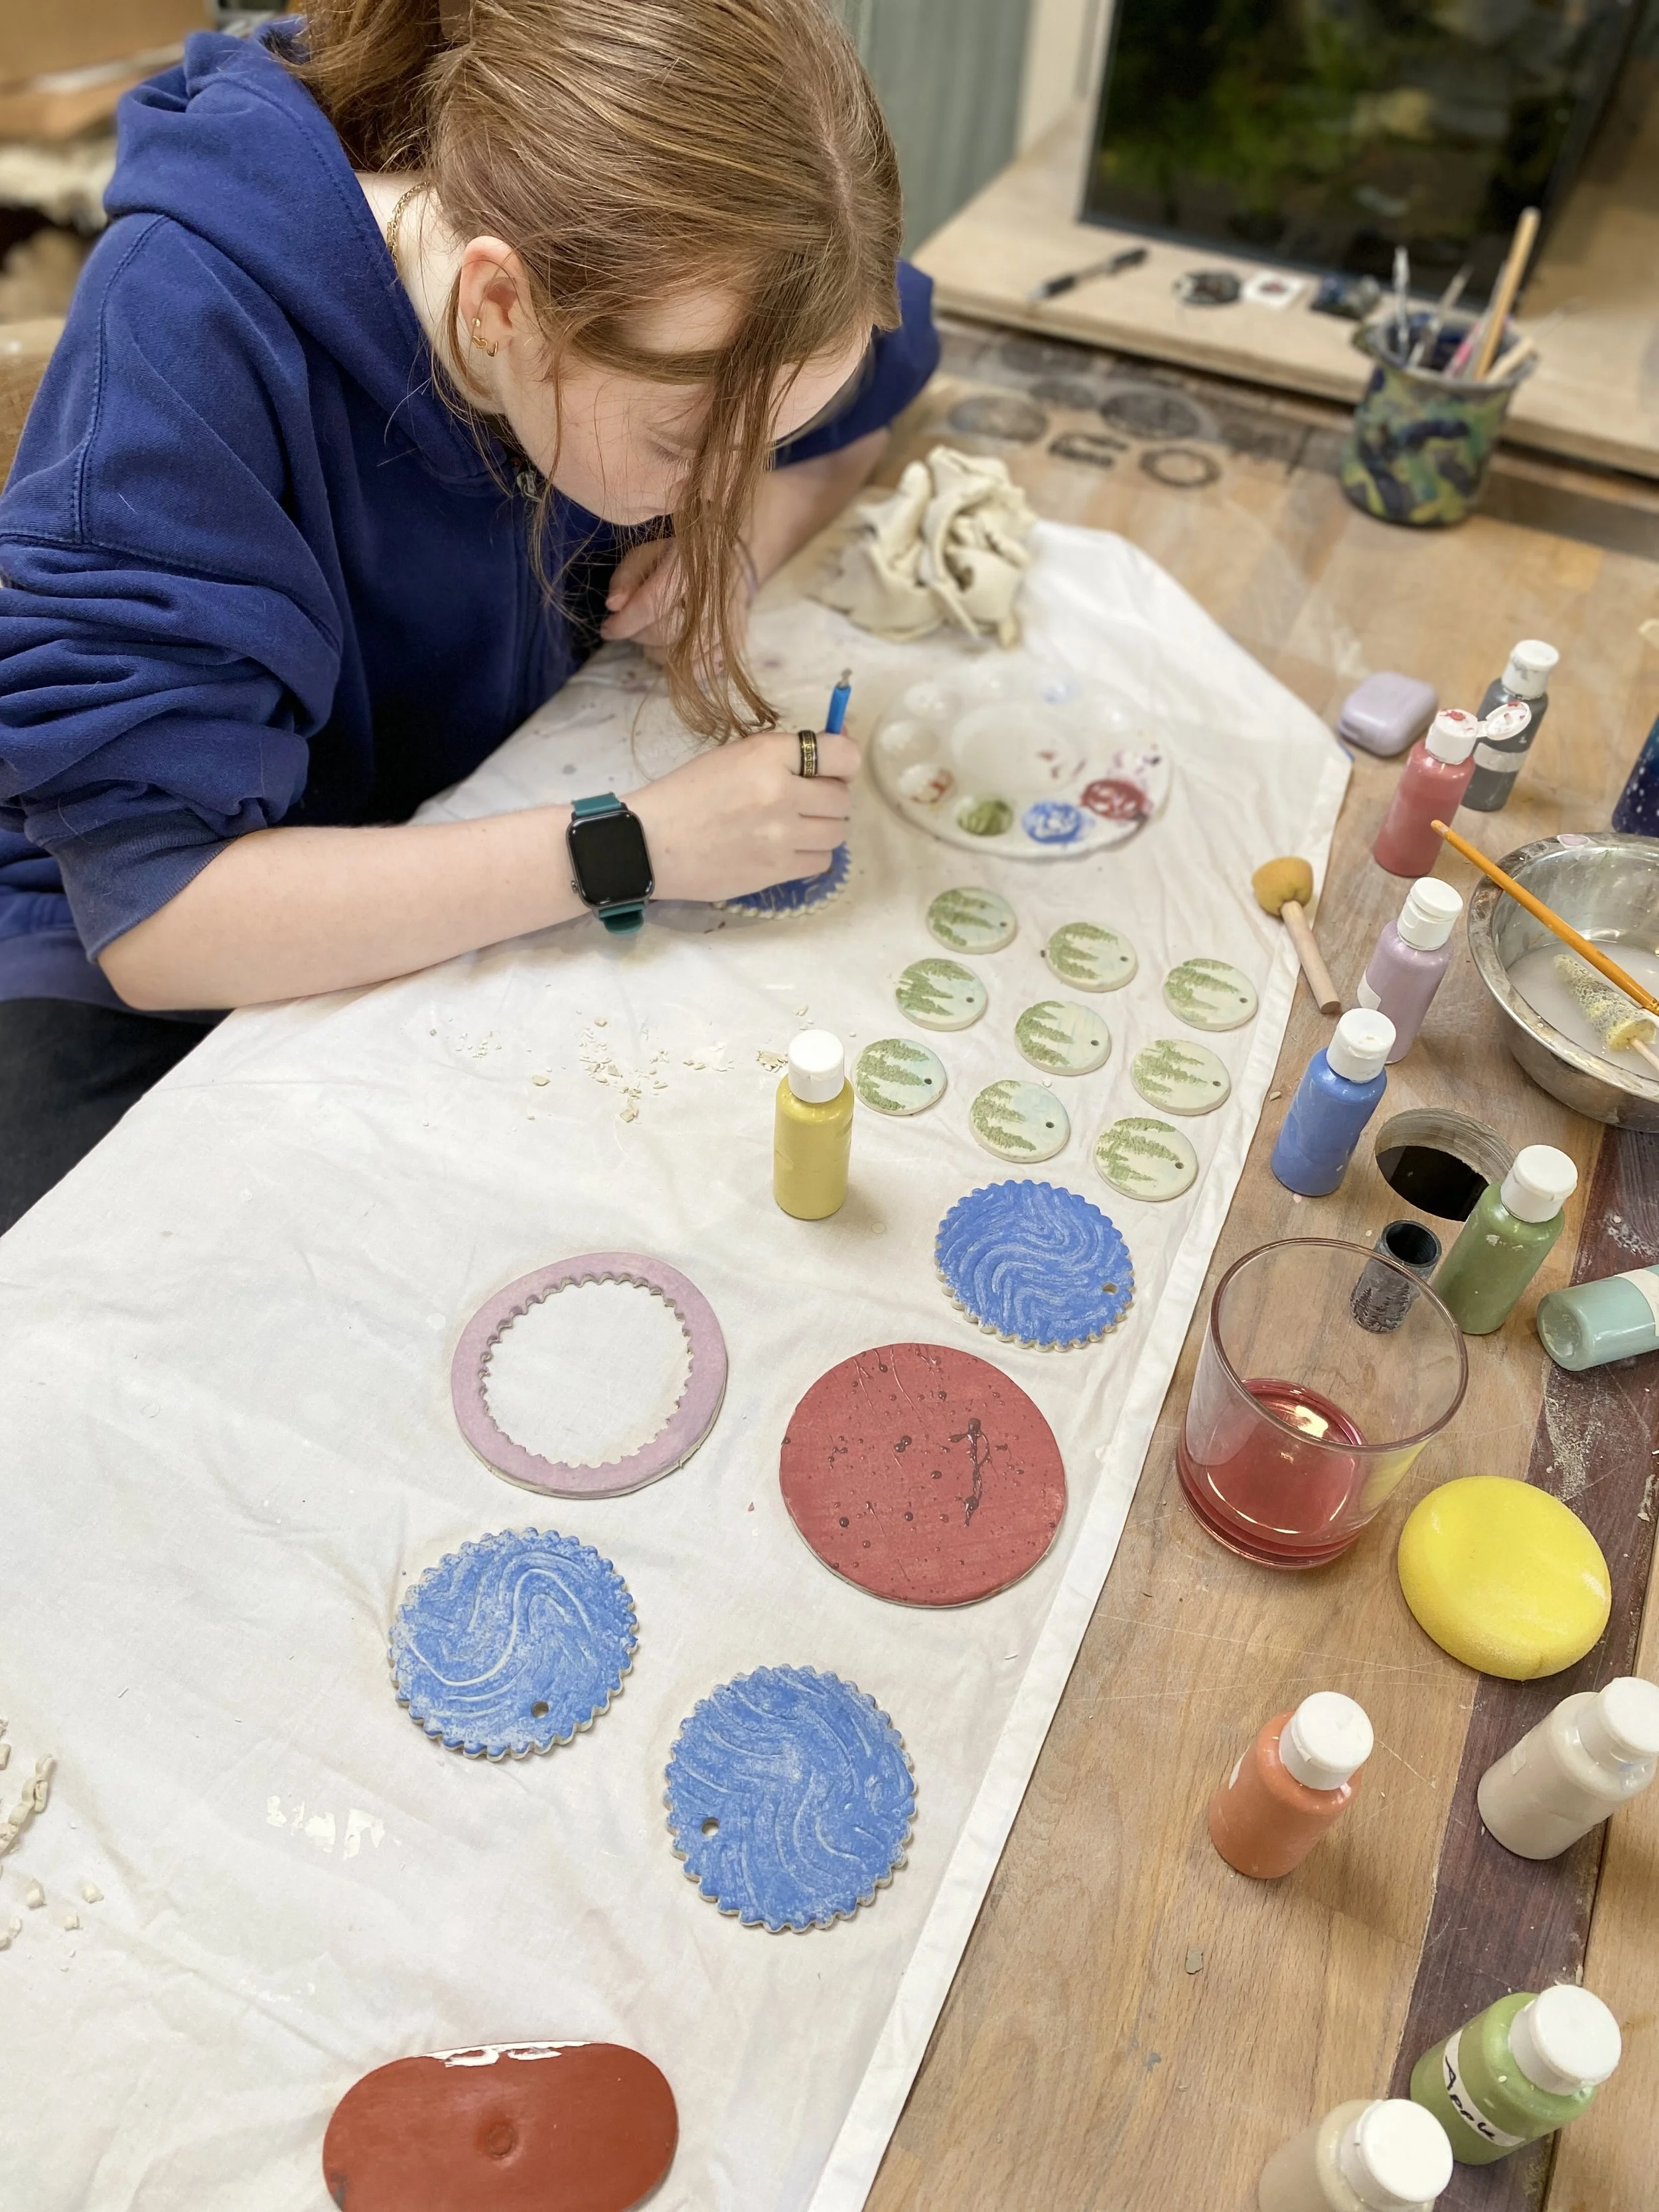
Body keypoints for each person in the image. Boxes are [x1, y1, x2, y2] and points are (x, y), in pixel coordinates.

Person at [0, 0, 938, 1233]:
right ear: (498, 309)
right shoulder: (185, 337)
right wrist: (634, 846)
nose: (720, 482)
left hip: (455, 810)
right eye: (686, 444)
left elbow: (885, 375)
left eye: (763, 441)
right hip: (134, 966)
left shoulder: (683, 274)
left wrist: (735, 550)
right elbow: (162, 918)